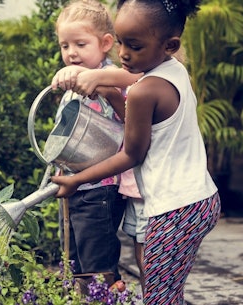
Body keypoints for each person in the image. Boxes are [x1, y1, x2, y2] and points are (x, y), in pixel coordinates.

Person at [51, 0, 222, 304]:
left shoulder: (144, 93)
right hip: (201, 199)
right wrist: (96, 77)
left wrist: (78, 180)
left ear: (169, 45)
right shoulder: (174, 70)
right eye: (120, 42)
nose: (123, 54)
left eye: (135, 46)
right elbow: (129, 76)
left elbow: (131, 155)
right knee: (168, 292)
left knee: (158, 297)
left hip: (174, 210)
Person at [50, 0, 126, 292]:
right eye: (64, 45)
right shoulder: (73, 80)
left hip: (100, 188)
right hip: (76, 186)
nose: (71, 53)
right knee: (75, 259)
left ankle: (103, 297)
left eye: (80, 44)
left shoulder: (112, 76)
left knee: (98, 261)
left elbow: (122, 123)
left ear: (106, 43)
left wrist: (98, 86)